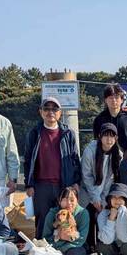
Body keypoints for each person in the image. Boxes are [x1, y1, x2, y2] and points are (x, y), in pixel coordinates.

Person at [24, 97, 81, 239]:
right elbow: (28, 160)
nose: (51, 112)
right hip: (41, 186)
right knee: (43, 220)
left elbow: (75, 159)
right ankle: (41, 247)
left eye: (54, 109)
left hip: (64, 184)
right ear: (40, 112)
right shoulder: (34, 133)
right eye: (46, 108)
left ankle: (63, 247)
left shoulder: (68, 133)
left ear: (60, 112)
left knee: (65, 218)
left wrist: (76, 182)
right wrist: (29, 184)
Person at [81, 122, 122, 249]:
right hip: (87, 192)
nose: (109, 139)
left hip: (105, 193)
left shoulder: (117, 154)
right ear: (100, 136)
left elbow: (111, 180)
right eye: (106, 135)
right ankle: (89, 248)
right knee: (88, 217)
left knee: (103, 218)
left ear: (116, 138)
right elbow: (87, 176)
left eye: (112, 136)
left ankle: (102, 249)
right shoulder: (90, 151)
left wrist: (103, 200)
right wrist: (95, 198)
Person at [43, 187, 89, 255]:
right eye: (65, 200)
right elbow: (46, 237)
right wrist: (60, 238)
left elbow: (81, 238)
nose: (68, 203)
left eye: (72, 200)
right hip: (55, 246)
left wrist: (64, 246)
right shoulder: (53, 213)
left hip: (73, 246)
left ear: (77, 200)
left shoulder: (83, 213)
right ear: (60, 200)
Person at [93, 84, 127, 150]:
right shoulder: (99, 119)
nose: (114, 100)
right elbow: (97, 140)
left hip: (126, 155)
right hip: (105, 155)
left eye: (116, 97)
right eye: (111, 97)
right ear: (105, 100)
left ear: (122, 100)